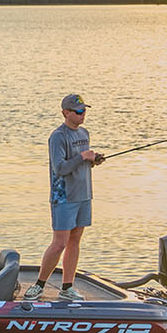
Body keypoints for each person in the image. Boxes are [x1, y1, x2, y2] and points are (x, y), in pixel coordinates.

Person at [23, 94, 101, 302]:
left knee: (75, 241)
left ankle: (67, 288)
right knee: (59, 243)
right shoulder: (58, 136)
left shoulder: (84, 133)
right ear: (66, 113)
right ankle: (39, 285)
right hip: (64, 196)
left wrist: (93, 160)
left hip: (84, 194)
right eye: (78, 111)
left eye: (84, 110)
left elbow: (80, 163)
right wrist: (83, 156)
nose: (83, 114)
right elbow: (60, 168)